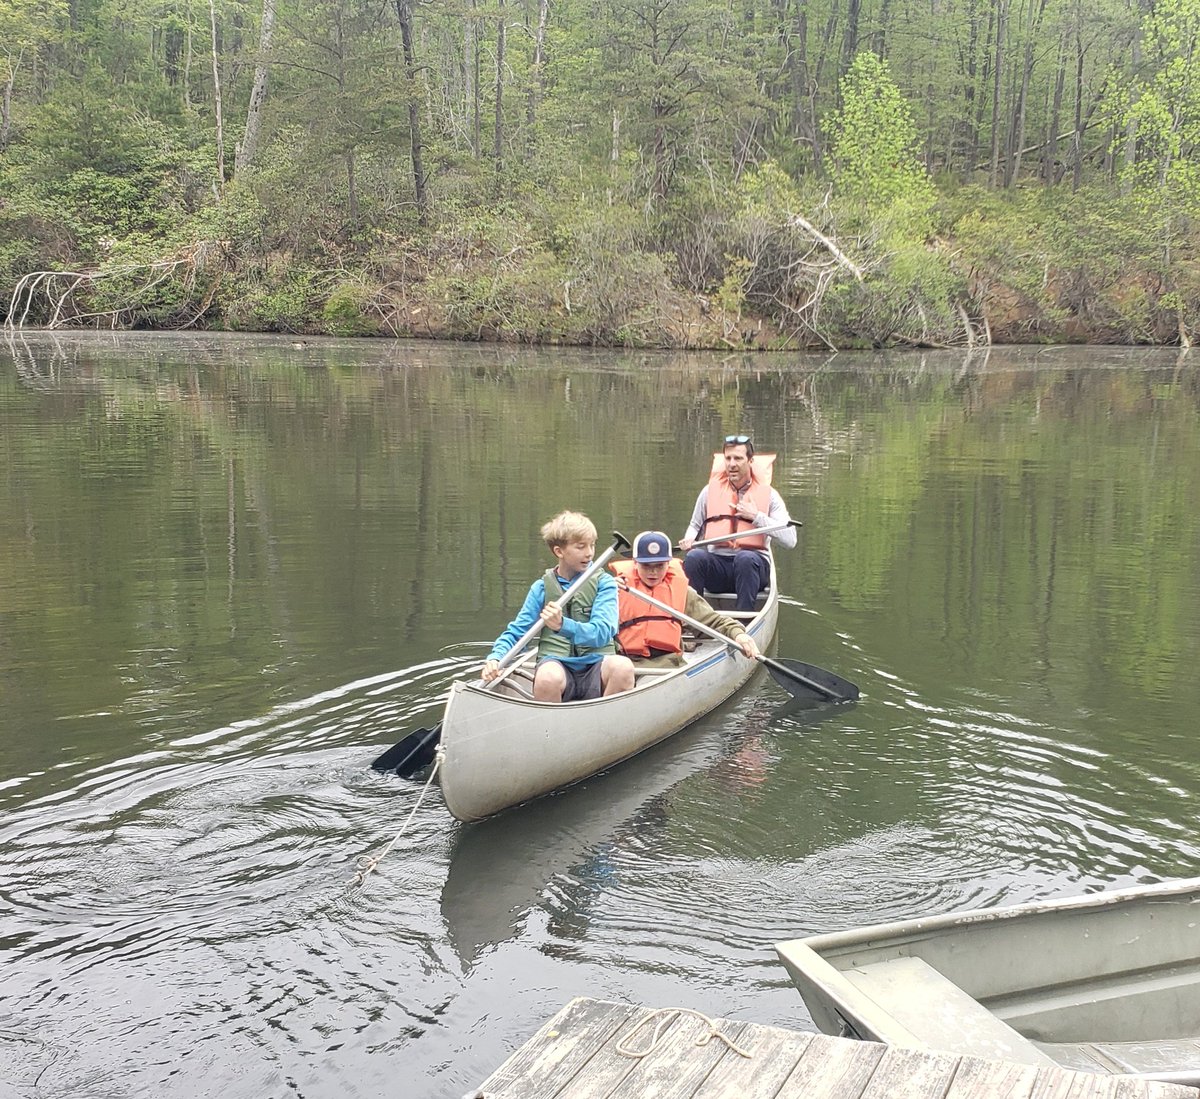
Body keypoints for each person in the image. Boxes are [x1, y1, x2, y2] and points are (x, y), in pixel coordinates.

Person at [481, 510, 635, 701]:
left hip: (597, 663)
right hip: (557, 664)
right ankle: (551, 728)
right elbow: (518, 632)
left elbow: (603, 632)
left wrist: (563, 626)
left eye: (592, 545)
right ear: (559, 551)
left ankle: (606, 721)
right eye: (580, 547)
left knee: (623, 668)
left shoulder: (605, 583)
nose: (589, 553)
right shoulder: (541, 588)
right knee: (547, 678)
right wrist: (495, 658)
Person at [677, 434, 796, 611]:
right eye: (728, 458)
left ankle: (742, 627)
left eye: (738, 458)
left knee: (745, 558)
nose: (732, 464)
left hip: (752, 569)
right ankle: (693, 620)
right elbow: (695, 525)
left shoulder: (770, 496)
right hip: (719, 568)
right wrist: (689, 539)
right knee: (694, 558)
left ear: (750, 461)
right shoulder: (709, 492)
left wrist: (757, 517)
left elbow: (790, 540)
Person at [610, 530, 761, 669]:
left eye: (659, 565)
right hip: (625, 664)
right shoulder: (616, 589)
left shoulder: (683, 593)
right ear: (635, 563)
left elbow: (715, 622)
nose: (653, 572)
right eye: (646, 566)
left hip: (667, 665)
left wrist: (738, 634)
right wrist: (605, 591)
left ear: (668, 564)